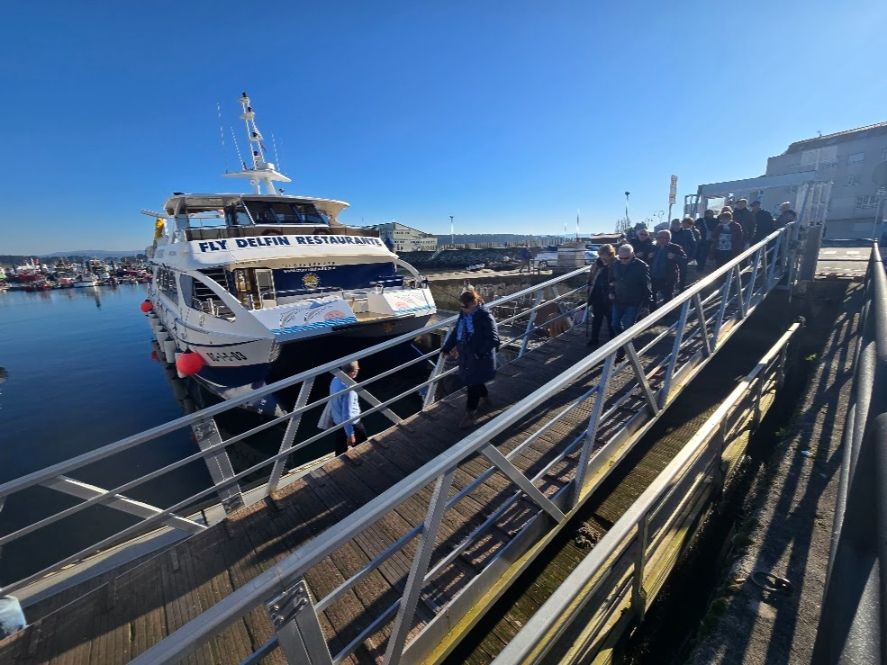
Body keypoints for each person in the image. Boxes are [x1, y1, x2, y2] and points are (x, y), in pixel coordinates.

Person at [442, 289, 500, 427]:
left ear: (474, 303)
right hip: (466, 356)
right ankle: (485, 398)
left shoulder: (485, 316)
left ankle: (470, 414)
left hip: (480, 357)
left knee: (472, 384)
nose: (463, 309)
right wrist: (447, 347)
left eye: (465, 306)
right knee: (474, 381)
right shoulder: (463, 314)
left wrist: (479, 353)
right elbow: (457, 332)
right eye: (461, 306)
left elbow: (494, 338)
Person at [609, 244, 651, 359]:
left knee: (627, 327)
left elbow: (646, 285)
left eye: (625, 258)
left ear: (632, 254)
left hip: (634, 301)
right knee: (615, 324)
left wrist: (646, 305)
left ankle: (622, 350)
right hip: (618, 299)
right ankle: (624, 345)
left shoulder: (642, 266)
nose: (623, 260)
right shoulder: (616, 264)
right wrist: (611, 291)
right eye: (620, 258)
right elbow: (612, 280)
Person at [329, 361, 366, 455]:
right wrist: (350, 434)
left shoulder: (335, 379)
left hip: (337, 422)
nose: (359, 369)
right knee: (363, 447)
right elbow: (347, 414)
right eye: (357, 368)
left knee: (340, 449)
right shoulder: (348, 388)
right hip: (352, 424)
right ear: (353, 371)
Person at [586, 244, 616, 347]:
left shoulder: (616, 264)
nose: (602, 258)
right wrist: (589, 285)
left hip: (610, 297)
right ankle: (594, 340)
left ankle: (613, 342)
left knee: (611, 320)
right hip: (597, 295)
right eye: (600, 256)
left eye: (604, 256)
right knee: (596, 319)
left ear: (610, 255)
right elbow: (591, 276)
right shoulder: (597, 264)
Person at [649, 229, 686, 305]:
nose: (662, 239)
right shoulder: (653, 247)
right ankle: (653, 313)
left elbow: (684, 259)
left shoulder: (675, 247)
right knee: (652, 297)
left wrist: (675, 256)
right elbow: (646, 261)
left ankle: (668, 314)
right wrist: (648, 257)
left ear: (669, 238)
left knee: (668, 297)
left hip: (668, 278)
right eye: (659, 237)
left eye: (665, 237)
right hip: (653, 277)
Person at [672, 218, 698, 289]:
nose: (676, 226)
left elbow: (694, 245)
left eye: (677, 224)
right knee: (671, 274)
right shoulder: (669, 233)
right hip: (671, 258)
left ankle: (681, 289)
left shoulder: (687, 232)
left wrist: (691, 257)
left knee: (682, 274)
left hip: (683, 257)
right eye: (674, 224)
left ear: (680, 225)